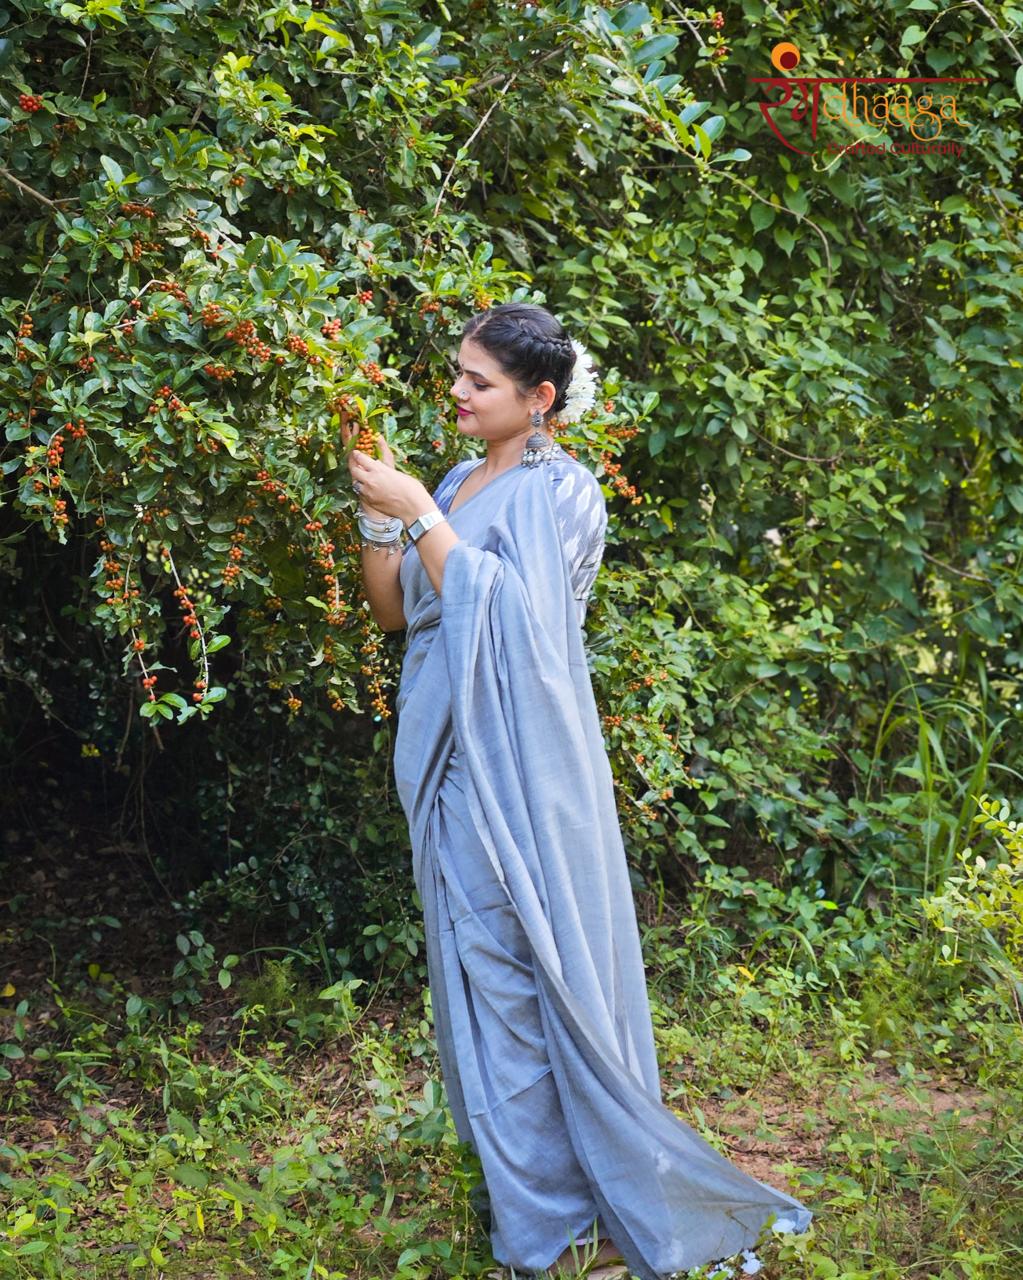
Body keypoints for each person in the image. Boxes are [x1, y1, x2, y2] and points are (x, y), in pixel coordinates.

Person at [343, 303, 814, 1280]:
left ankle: (560, 1233)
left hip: (520, 764)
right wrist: (381, 517)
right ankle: (545, 1210)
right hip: (443, 756)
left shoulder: (567, 494)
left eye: (480, 380)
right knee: (478, 986)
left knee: (517, 978)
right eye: (460, 375)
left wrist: (423, 517)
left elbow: (516, 629)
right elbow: (397, 612)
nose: (459, 392)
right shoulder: (457, 479)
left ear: (539, 397)